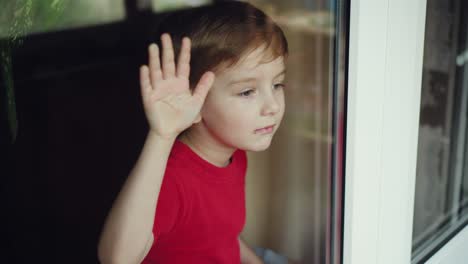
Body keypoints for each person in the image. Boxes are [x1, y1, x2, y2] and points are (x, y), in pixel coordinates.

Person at [97, 1, 292, 263]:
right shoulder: (174, 179)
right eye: (247, 92)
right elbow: (116, 258)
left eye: (277, 84)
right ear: (194, 102)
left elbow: (223, 237)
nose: (272, 106)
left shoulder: (234, 154)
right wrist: (162, 136)